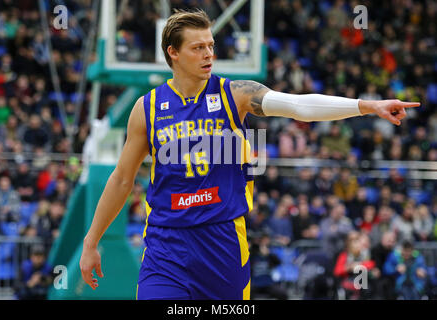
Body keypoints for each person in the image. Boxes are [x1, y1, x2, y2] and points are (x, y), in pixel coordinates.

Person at [79, 9, 420, 300]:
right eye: (198, 48)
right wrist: (91, 241)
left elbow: (299, 106)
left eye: (211, 45)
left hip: (222, 241)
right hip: (166, 245)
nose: (209, 54)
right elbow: (122, 179)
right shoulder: (148, 108)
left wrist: (366, 106)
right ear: (174, 53)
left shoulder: (236, 94)